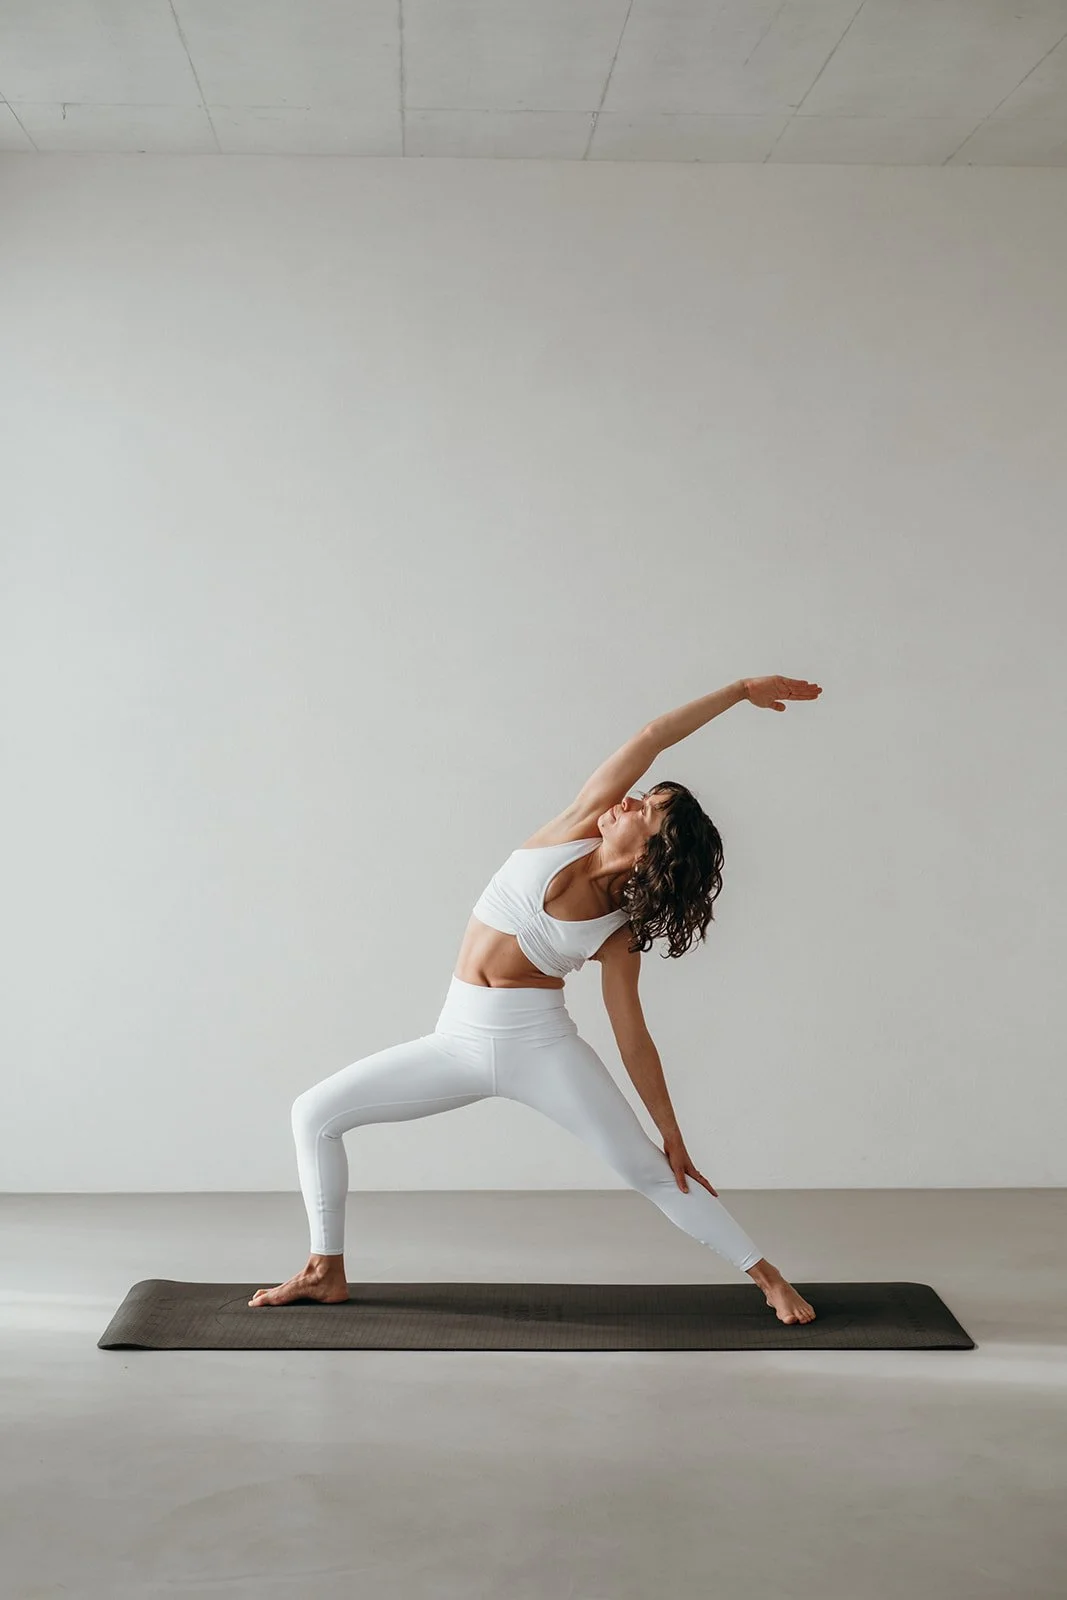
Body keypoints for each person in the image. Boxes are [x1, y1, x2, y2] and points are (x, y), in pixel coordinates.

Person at [250, 675, 822, 1325]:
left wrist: (670, 1133)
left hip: (538, 1047)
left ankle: (769, 1280)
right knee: (314, 1113)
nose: (629, 800)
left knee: (652, 1170)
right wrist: (739, 690)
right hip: (456, 1040)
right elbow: (650, 737)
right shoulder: (578, 824)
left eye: (645, 809)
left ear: (652, 853)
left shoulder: (619, 929)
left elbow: (631, 1033)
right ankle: (325, 1271)